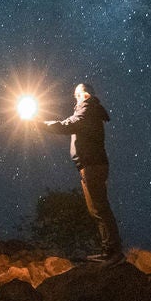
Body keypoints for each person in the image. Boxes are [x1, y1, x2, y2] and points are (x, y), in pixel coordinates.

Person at [44, 81, 123, 263]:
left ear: (85, 96)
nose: (75, 99)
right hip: (89, 165)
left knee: (100, 208)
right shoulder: (88, 111)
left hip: (93, 165)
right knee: (96, 209)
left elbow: (66, 125)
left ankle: (114, 253)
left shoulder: (88, 111)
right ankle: (108, 251)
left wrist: (40, 123)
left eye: (77, 95)